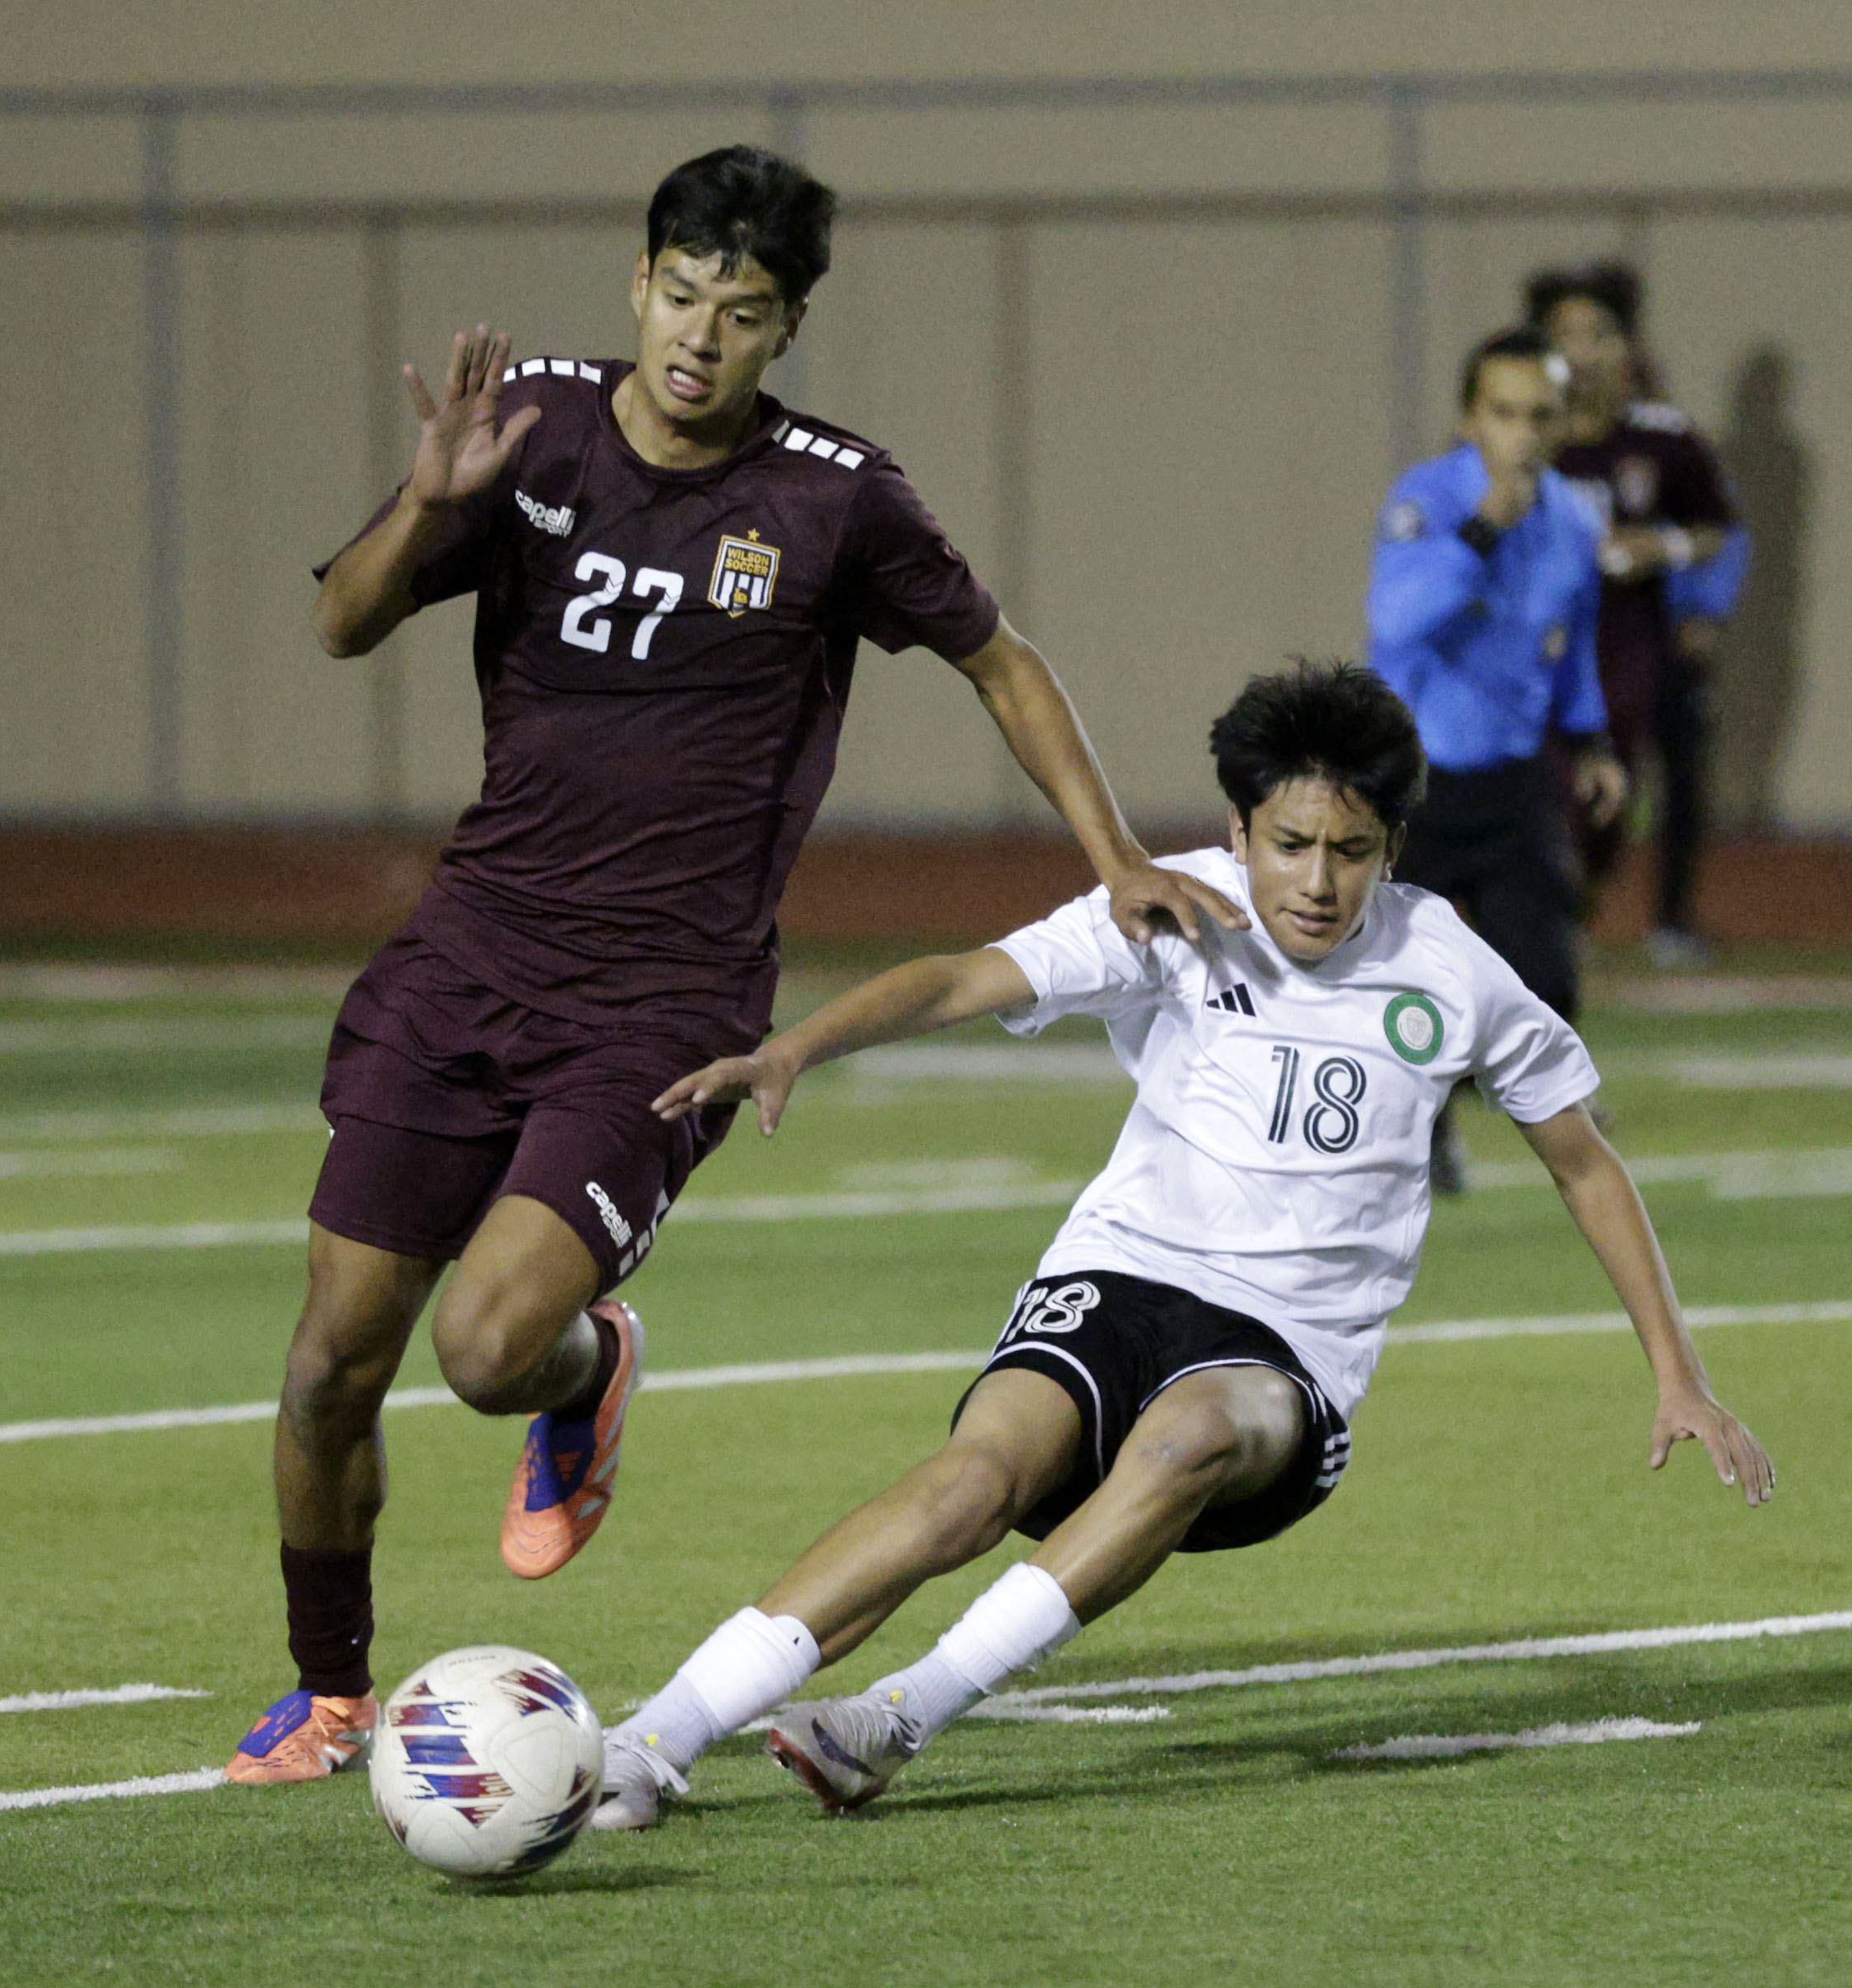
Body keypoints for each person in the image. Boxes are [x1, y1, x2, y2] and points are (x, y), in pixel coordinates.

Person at [226, 145, 1239, 1785]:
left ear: (785, 329)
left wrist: (1114, 855)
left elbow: (999, 661)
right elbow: (340, 624)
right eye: (682, 294)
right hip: (465, 957)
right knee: (330, 1357)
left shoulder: (833, 497)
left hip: (661, 1003)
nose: (701, 335)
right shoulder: (529, 430)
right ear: (638, 282)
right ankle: (328, 1689)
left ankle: (585, 1364)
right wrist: (426, 500)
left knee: (482, 1351)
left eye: (743, 311)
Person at [589, 662, 1773, 1831]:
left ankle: (899, 1715)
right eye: (1289, 844)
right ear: (1237, 830)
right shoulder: (1173, 909)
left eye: (1351, 851)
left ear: (1393, 850)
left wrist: (1678, 1374)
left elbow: (1582, 1163)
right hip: (1119, 1274)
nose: (1317, 882)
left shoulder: (1452, 970)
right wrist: (796, 1048)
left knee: (1191, 1432)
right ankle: (653, 1741)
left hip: (1284, 1350)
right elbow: (960, 980)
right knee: (969, 1485)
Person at [1364, 327, 1626, 1192]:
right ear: (1469, 418)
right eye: (1504, 413)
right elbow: (1396, 618)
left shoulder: (1573, 519)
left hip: (1513, 775)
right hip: (1415, 776)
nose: (1522, 434)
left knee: (1545, 975)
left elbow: (1572, 644)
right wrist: (1480, 532)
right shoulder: (1426, 500)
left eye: (1540, 416)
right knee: (1405, 978)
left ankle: (1534, 1114)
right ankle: (1425, 1131)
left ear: (1564, 423)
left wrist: (1591, 742)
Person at [1528, 262, 1745, 966]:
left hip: (1636, 641)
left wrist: (1661, 550)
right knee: (1536, 784)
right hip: (1540, 645)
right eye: (1566, 335)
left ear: (1626, 346)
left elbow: (1719, 528)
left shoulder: (1663, 438)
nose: (1583, 353)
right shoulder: (1520, 436)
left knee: (1633, 783)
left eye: (1599, 334)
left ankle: (1657, 917)